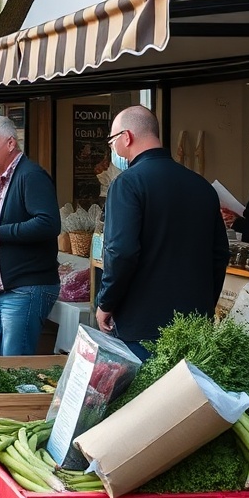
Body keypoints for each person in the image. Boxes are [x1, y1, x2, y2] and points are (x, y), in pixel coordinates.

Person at [96, 106, 229, 361]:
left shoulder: (127, 183)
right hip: (194, 325)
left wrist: (106, 302)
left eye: (112, 141)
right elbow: (220, 254)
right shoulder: (201, 185)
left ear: (127, 137)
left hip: (141, 325)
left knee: (144, 399)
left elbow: (121, 252)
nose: (113, 149)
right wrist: (205, 305)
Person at [0, 115, 61, 356]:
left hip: (26, 287)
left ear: (11, 144)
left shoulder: (31, 175)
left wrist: (0, 234)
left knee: (14, 365)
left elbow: (49, 223)